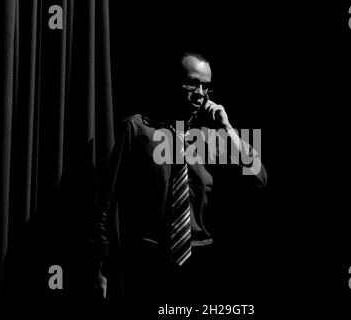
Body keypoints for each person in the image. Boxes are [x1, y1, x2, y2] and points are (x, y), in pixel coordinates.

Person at [89, 51, 267, 301]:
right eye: (192, 83)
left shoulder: (210, 138)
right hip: (147, 263)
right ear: (172, 81)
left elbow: (258, 178)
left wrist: (228, 128)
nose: (200, 93)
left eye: (206, 87)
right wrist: (99, 266)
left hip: (201, 262)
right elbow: (106, 201)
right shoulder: (137, 129)